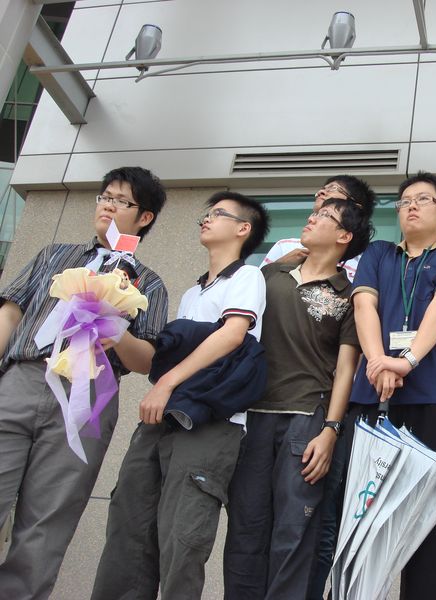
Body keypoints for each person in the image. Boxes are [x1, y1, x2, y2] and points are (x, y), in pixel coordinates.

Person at [0, 166, 168, 599]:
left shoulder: (149, 282)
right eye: (104, 197)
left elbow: (146, 358)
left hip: (88, 397)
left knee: (48, 520)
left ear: (144, 217)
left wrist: (115, 330)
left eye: (121, 201)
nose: (108, 206)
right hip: (21, 378)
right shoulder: (54, 254)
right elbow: (11, 311)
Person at [92, 191, 269, 599]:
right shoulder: (192, 294)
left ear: (243, 229)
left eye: (218, 214)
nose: (206, 219)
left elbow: (232, 334)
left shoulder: (247, 277)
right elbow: (153, 358)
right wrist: (110, 322)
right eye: (206, 214)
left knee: (183, 537)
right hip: (163, 417)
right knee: (129, 527)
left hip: (211, 422)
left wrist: (167, 382)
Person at [223, 182, 374, 600]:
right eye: (316, 211)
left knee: (294, 535)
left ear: (344, 236)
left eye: (325, 216)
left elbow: (346, 368)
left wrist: (331, 430)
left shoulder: (349, 295)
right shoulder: (267, 276)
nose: (312, 216)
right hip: (253, 417)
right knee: (245, 531)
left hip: (307, 421)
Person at [346, 171, 436, 599]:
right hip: (373, 396)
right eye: (404, 202)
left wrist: (406, 361)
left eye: (423, 199)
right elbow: (364, 306)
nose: (411, 206)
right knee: (364, 519)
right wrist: (377, 362)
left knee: (429, 523)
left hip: (435, 398)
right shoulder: (379, 253)